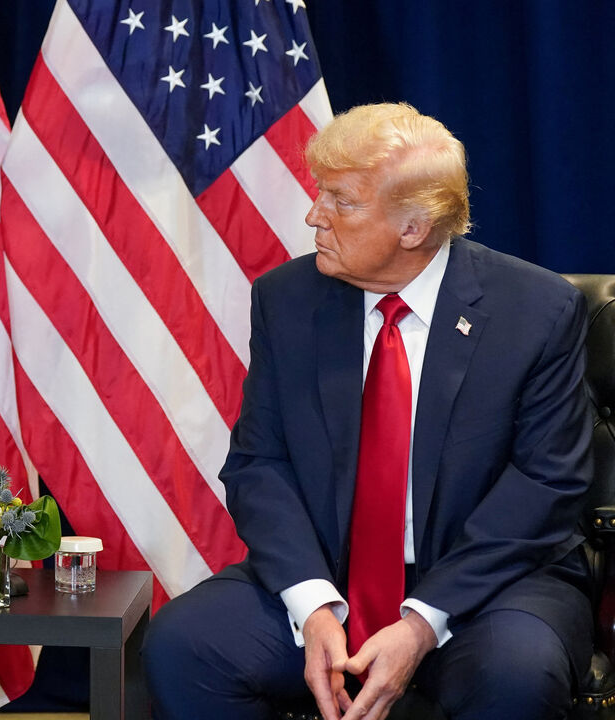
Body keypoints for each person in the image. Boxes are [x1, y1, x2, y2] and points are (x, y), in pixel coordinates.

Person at [143, 103, 592, 720]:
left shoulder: (537, 311)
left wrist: (422, 621)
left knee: (516, 675)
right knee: (184, 645)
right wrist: (313, 606)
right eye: (320, 193)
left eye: (342, 202)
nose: (314, 215)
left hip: (490, 587)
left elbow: (547, 483)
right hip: (329, 576)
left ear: (413, 228)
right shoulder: (287, 300)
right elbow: (258, 463)